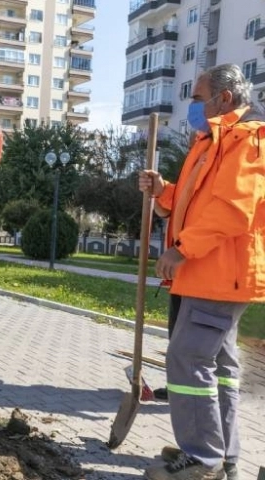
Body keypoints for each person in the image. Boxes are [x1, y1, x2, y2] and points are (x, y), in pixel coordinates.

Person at [138, 63, 265, 480]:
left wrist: (182, 250)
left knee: (187, 358)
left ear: (223, 98)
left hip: (216, 272)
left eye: (196, 97)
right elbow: (194, 203)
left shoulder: (247, 141)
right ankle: (223, 455)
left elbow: (232, 210)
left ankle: (201, 459)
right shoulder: (211, 141)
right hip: (212, 274)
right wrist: (164, 193)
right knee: (219, 367)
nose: (191, 106)